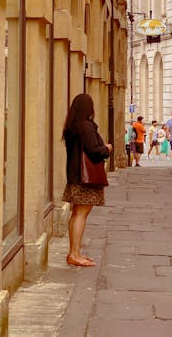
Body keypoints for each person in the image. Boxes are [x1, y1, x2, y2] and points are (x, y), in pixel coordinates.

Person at [62, 93, 112, 266]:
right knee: (81, 214)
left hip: (75, 175)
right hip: (85, 178)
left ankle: (74, 252)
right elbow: (94, 151)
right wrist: (106, 149)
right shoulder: (86, 127)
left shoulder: (72, 126)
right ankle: (75, 254)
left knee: (76, 213)